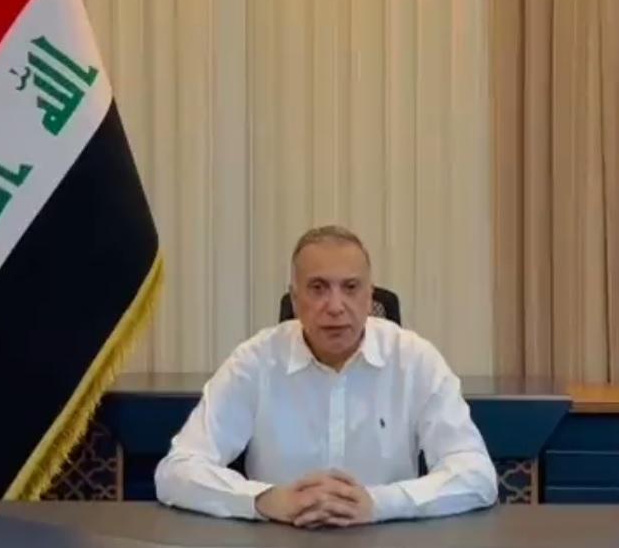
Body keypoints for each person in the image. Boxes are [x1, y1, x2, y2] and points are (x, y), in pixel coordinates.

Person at [155, 225, 498, 527]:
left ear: (370, 297)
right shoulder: (256, 361)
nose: (335, 306)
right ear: (295, 298)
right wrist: (265, 500)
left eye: (350, 287)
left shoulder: (414, 360)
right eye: (318, 288)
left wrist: (379, 503)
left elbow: (476, 474)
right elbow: (177, 470)